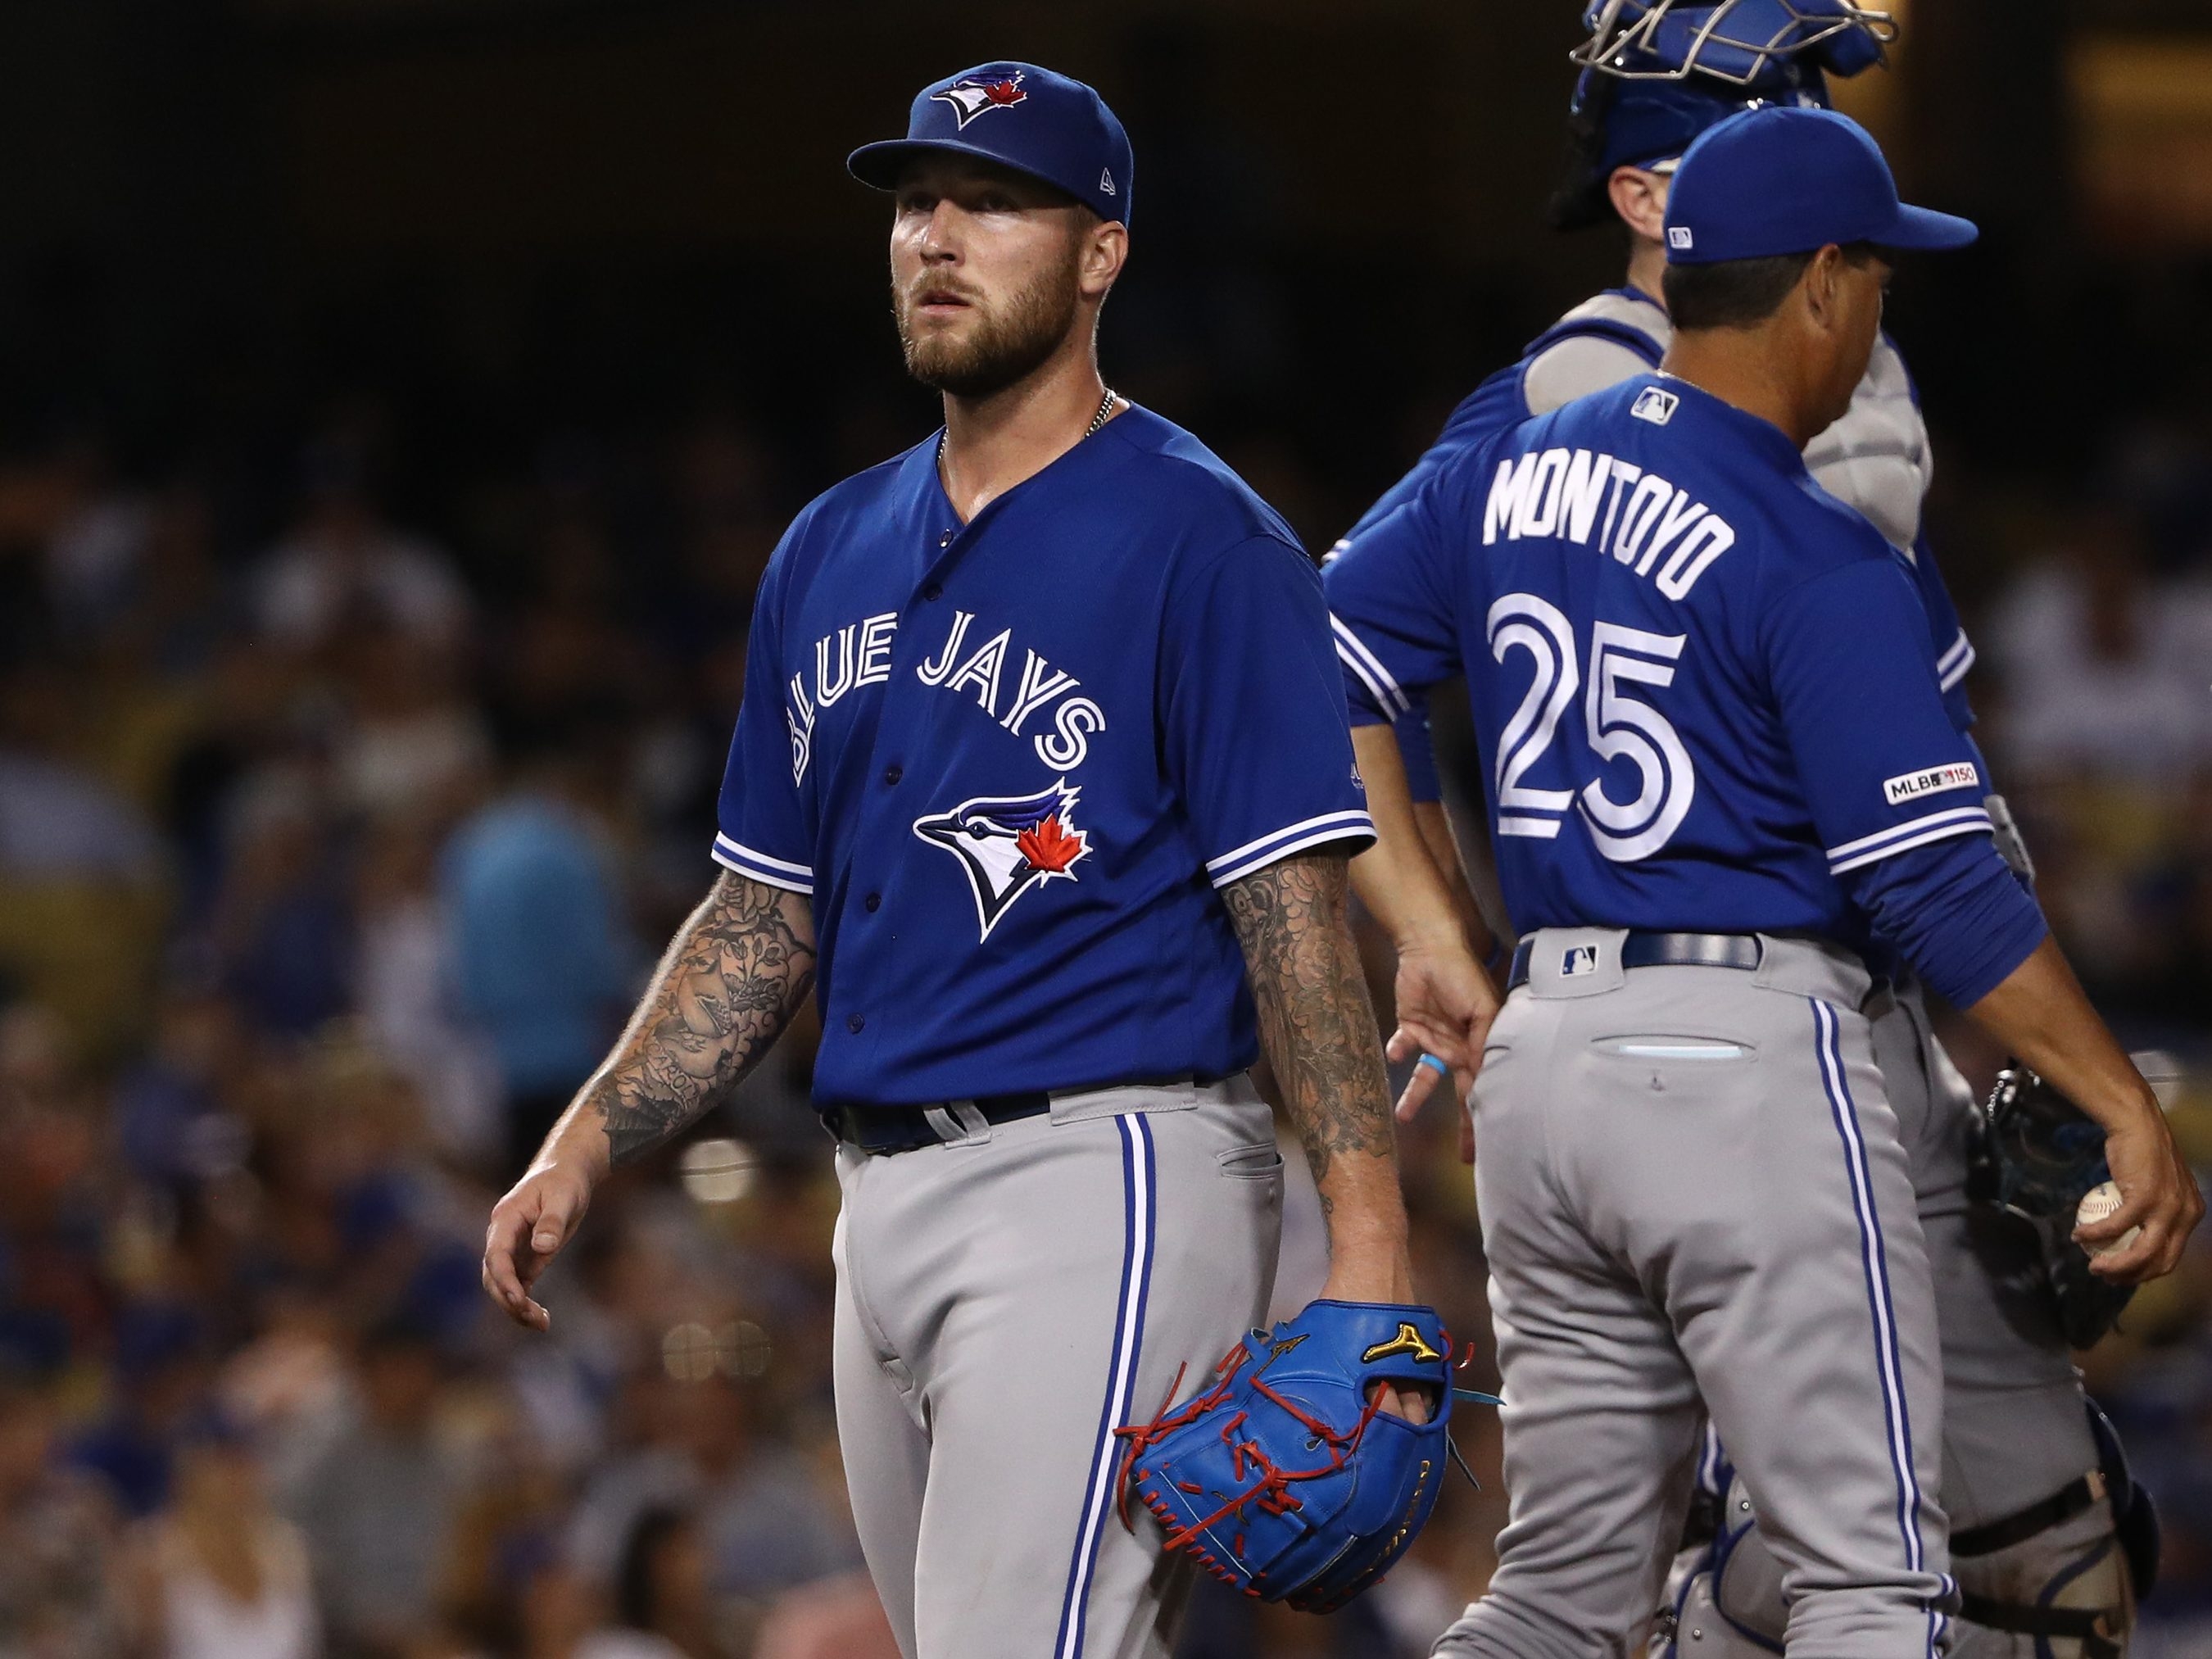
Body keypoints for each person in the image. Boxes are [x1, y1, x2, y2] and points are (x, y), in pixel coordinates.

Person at [483, 61, 1427, 1659]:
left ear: (1102, 253)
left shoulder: (1203, 536)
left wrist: (1370, 1255)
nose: (937, 233)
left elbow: (1290, 908)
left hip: (1104, 1171)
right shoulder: (828, 543)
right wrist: (586, 1138)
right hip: (879, 1202)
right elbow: (762, 914)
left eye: (994, 203)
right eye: (919, 200)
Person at [1322, 104, 2201, 1658]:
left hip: (1541, 1067)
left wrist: (1431, 922)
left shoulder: (1505, 472)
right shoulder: (1812, 546)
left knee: (1555, 1596)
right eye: (1875, 274)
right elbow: (1939, 887)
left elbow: (1315, 658)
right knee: (1871, 1587)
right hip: (1743, 1064)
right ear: (1820, 282)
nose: (1878, 310)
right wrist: (2123, 1105)